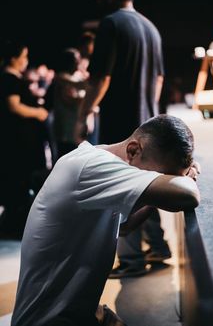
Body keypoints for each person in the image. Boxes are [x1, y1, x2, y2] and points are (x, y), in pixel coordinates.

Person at [11, 115, 200, 326]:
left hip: (79, 312)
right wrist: (185, 179)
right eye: (160, 177)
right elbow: (188, 194)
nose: (161, 183)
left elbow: (124, 227)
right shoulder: (93, 167)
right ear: (133, 150)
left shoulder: (98, 158)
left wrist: (163, 187)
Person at [76, 0, 168, 279]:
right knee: (147, 186)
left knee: (122, 191)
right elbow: (158, 79)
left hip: (121, 124)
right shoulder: (151, 28)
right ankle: (157, 246)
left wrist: (83, 115)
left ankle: (131, 261)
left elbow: (100, 77)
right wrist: (150, 114)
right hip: (148, 122)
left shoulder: (111, 24)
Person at [0, 40, 48, 237]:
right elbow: (14, 106)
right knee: (18, 182)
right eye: (23, 57)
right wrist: (37, 112)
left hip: (19, 142)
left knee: (20, 182)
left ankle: (14, 225)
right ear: (13, 58)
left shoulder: (12, 78)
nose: (26, 61)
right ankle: (14, 227)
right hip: (17, 144)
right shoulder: (8, 79)